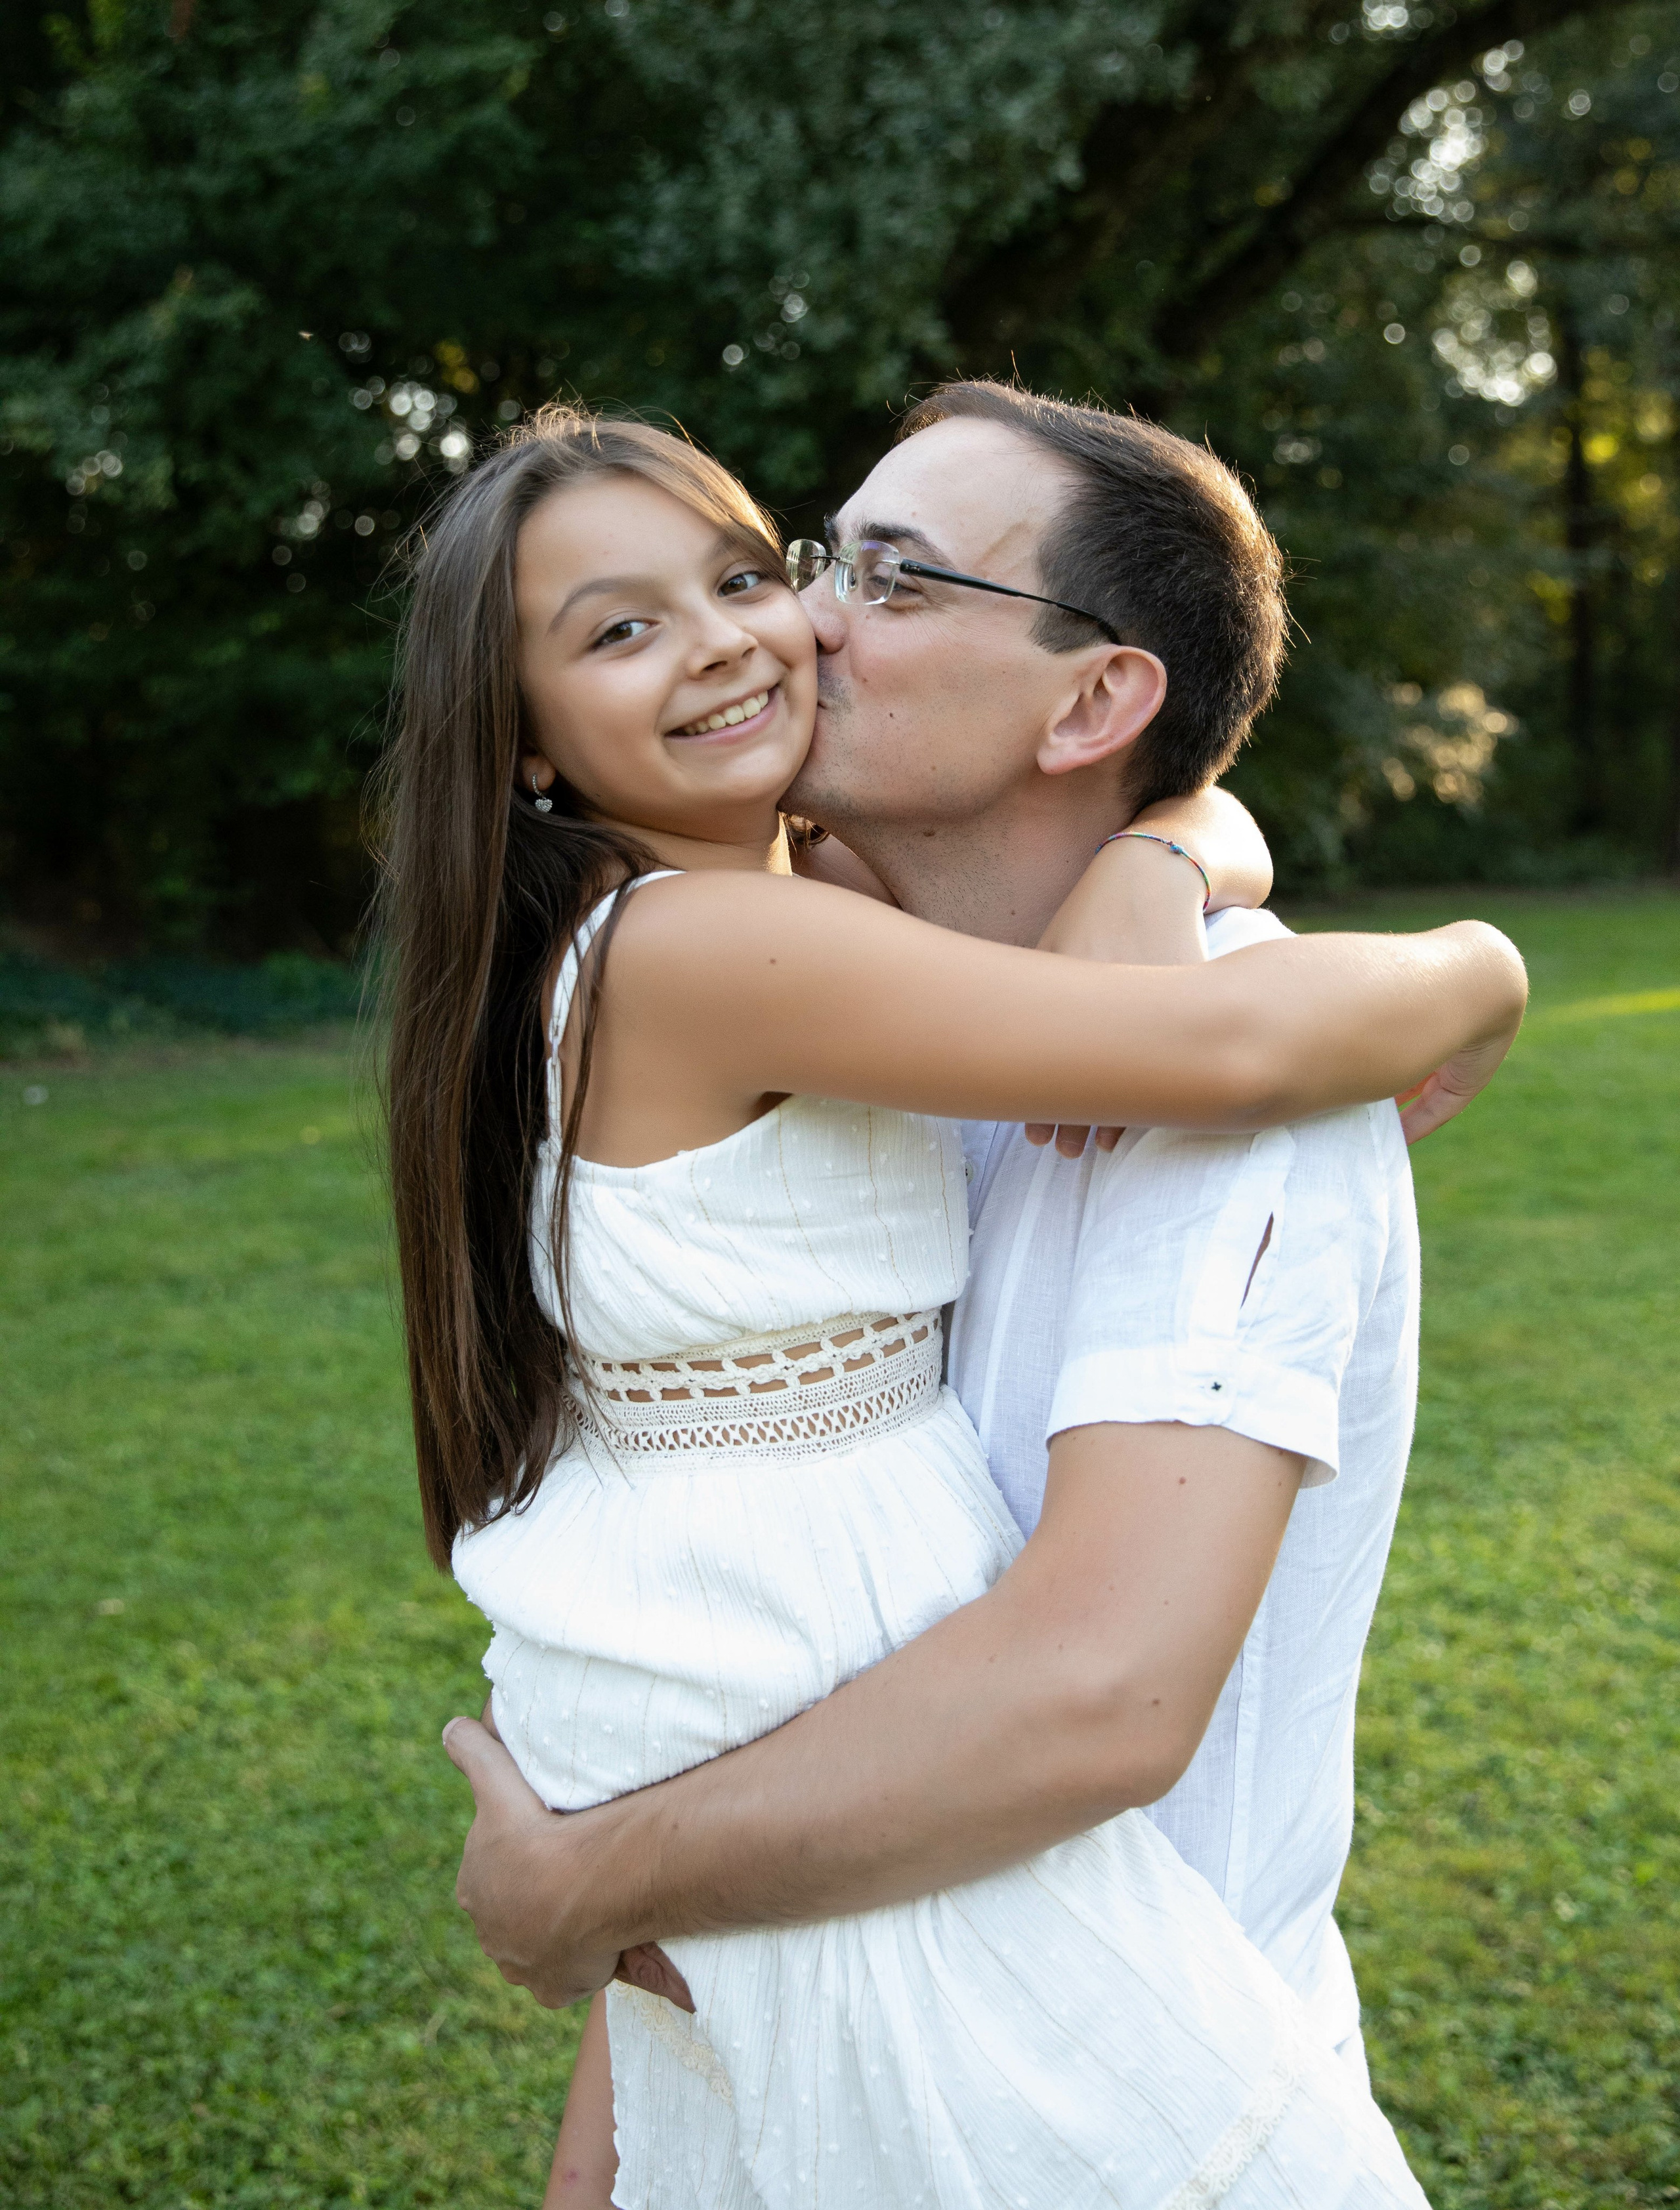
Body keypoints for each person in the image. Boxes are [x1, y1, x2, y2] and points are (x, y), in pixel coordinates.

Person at [384, 400, 1525, 2207]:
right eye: (822, 556)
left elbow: (1088, 1697)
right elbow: (754, 1705)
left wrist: (1229, 869)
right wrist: (1457, 958)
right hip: (816, 1976)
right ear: (524, 736)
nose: (799, 625)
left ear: (1090, 705)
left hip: (1087, 2047)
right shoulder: (824, 989)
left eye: (871, 578)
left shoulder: (1160, 1088)